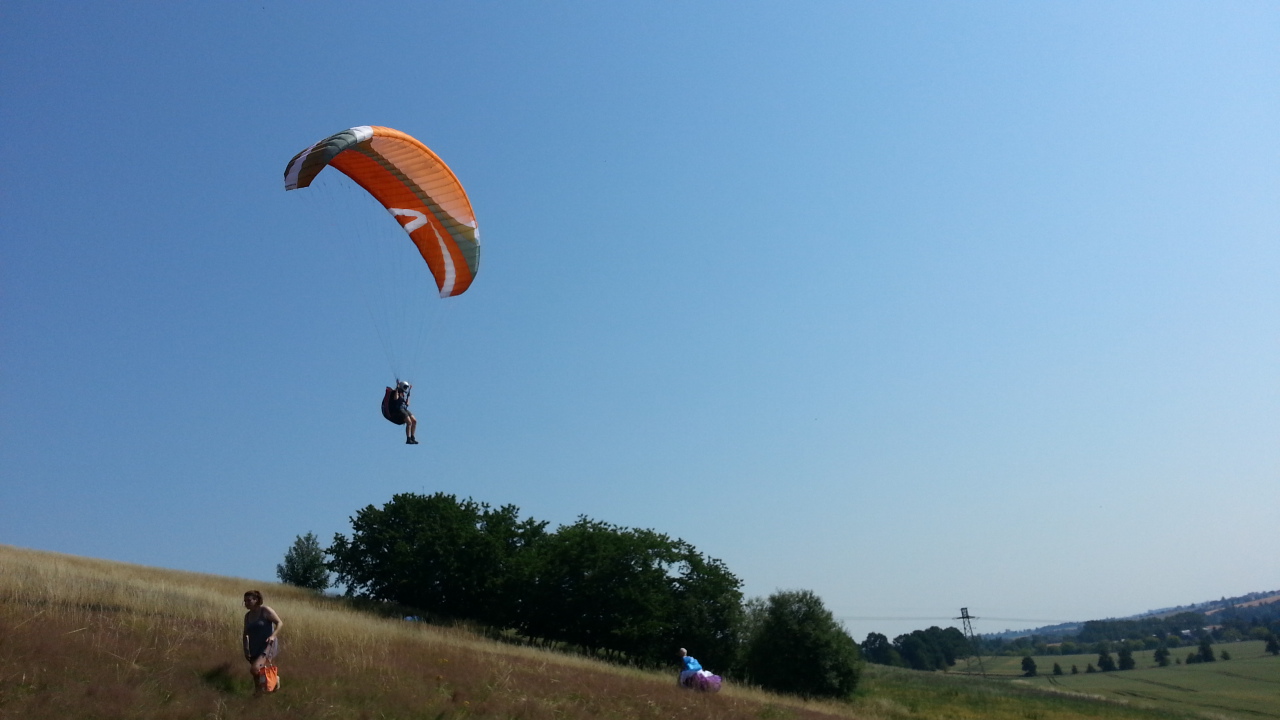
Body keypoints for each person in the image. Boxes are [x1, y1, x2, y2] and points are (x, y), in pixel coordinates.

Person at [242, 590, 283, 694]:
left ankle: (275, 679)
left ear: (256, 600)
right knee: (258, 673)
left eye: (249, 600)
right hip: (254, 646)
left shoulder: (265, 610)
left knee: (255, 669)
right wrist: (246, 649)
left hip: (267, 645)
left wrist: (273, 636)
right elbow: (245, 634)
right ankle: (259, 693)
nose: (246, 603)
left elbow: (279, 623)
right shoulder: (247, 616)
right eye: (245, 601)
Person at [383, 380, 418, 444]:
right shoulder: (395, 392)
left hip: (404, 409)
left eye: (406, 387)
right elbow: (395, 399)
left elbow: (407, 404)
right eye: (405, 387)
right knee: (409, 422)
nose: (406, 388)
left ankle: (413, 437)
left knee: (414, 421)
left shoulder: (403, 394)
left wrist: (408, 397)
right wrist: (397, 388)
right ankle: (408, 439)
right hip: (399, 410)